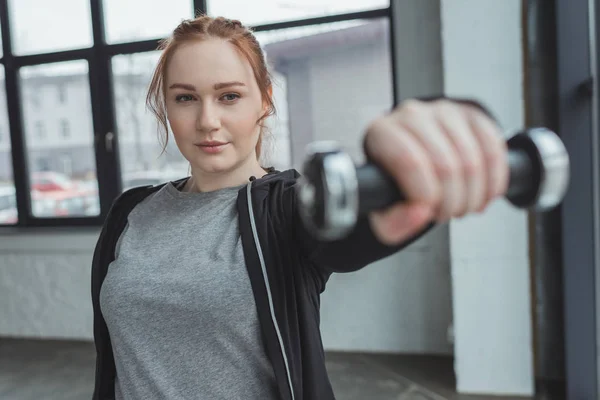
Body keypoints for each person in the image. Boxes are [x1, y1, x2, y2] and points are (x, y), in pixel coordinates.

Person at [91, 15, 508, 400]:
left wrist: (425, 151)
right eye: (186, 98)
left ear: (264, 100)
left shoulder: (289, 207)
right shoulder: (132, 211)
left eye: (229, 96)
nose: (207, 120)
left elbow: (345, 236)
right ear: (166, 106)